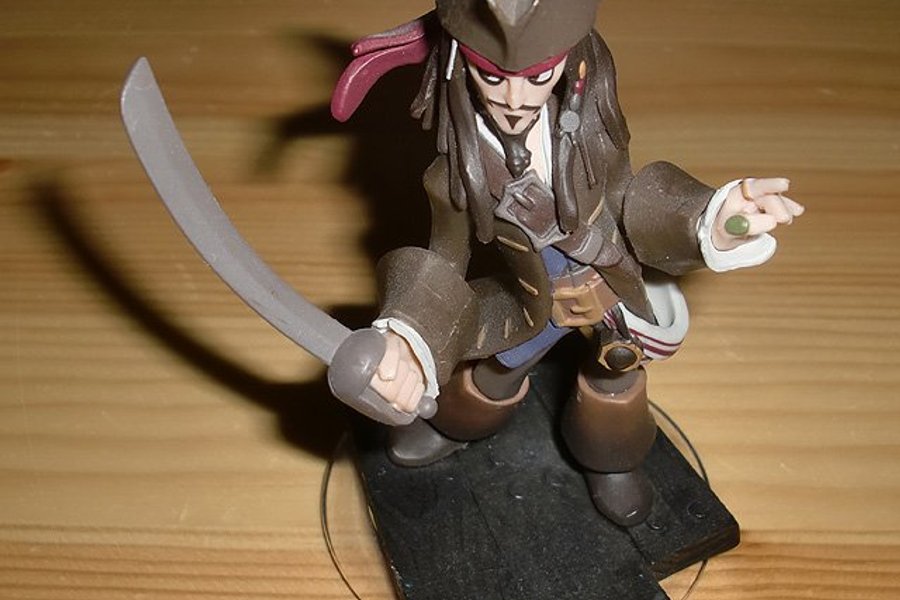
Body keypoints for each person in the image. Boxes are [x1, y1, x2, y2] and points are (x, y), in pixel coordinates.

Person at [331, 0, 804, 527]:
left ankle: (612, 462)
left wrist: (710, 219)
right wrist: (410, 337)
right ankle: (454, 426)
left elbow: (629, 199)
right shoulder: (457, 172)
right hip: (535, 301)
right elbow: (444, 257)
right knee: (496, 373)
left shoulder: (591, 130)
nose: (515, 99)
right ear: (460, 63)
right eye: (493, 76)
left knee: (615, 382)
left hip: (612, 284)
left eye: (537, 77)